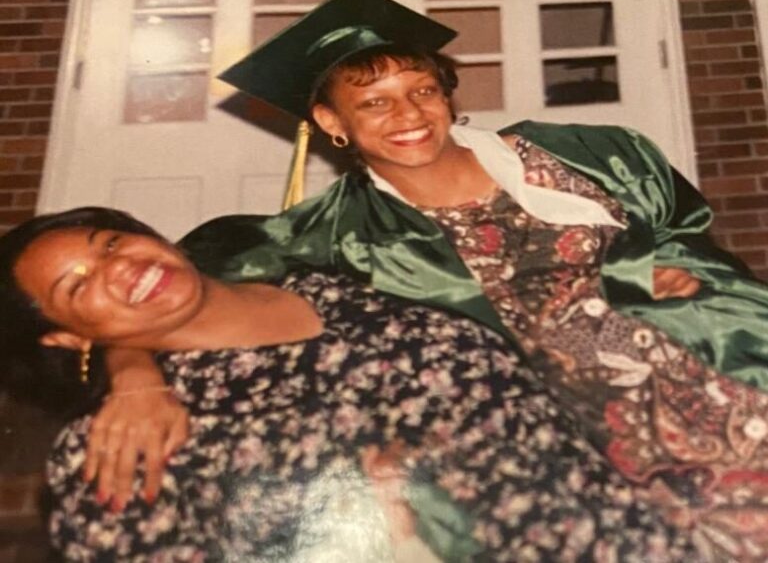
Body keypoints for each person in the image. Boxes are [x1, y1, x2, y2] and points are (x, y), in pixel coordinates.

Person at [0, 207, 696, 561]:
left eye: (110, 245)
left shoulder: (335, 272)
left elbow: (502, 287)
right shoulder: (115, 449)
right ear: (65, 337)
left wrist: (628, 282)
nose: (119, 270)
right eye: (78, 285)